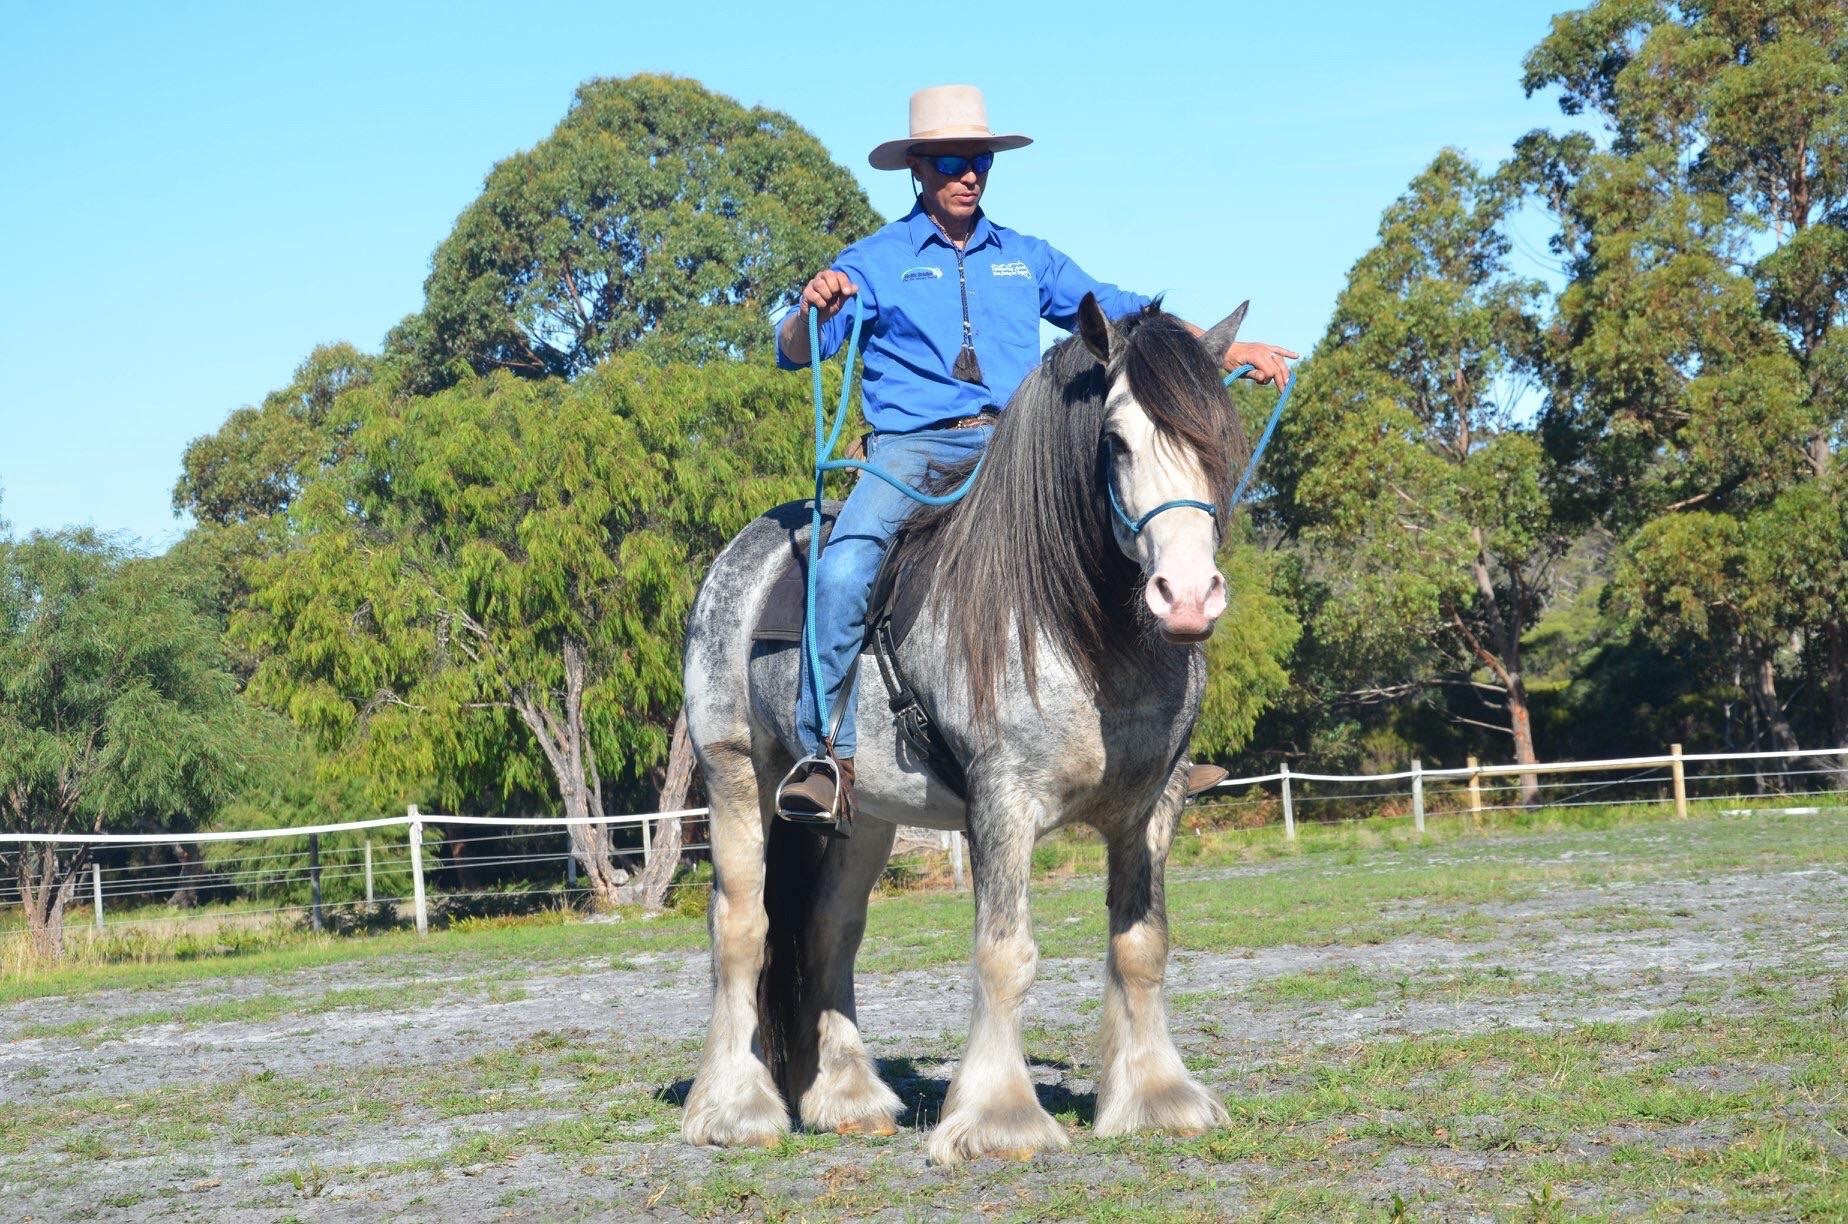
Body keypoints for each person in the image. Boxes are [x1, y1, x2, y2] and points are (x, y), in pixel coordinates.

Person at [775, 85, 1296, 824]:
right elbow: (797, 350)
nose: (968, 174)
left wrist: (1221, 349)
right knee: (844, 569)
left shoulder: (1026, 258)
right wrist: (811, 308)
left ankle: (1162, 748)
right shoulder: (873, 262)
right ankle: (826, 752)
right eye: (951, 161)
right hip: (912, 452)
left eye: (980, 161)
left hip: (1015, 450)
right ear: (917, 168)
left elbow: (1125, 310)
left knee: (1147, 533)